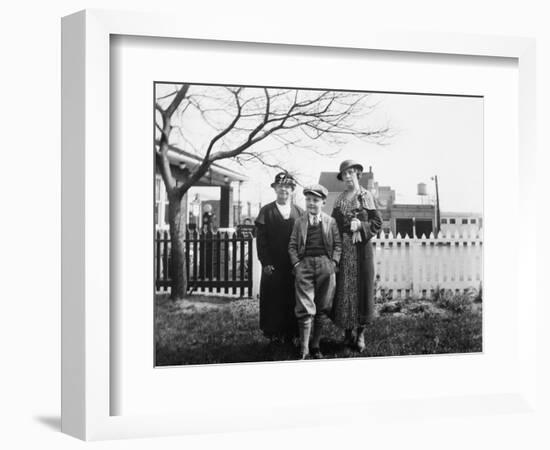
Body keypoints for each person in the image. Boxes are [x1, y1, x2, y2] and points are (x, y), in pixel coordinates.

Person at [331, 160, 382, 352]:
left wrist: (361, 225)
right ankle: (347, 332)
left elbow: (377, 222)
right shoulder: (339, 198)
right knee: (345, 290)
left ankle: (360, 333)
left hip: (361, 251)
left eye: (351, 173)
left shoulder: (366, 196)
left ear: (358, 174)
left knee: (362, 291)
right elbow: (333, 225)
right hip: (344, 251)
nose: (347, 177)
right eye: (344, 174)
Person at [288, 184, 342, 359]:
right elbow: (292, 246)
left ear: (323, 202)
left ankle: (316, 344)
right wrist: (296, 264)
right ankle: (304, 349)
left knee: (322, 307)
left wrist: (333, 262)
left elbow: (338, 245)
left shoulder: (330, 222)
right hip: (305, 266)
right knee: (305, 307)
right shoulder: (299, 222)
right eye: (308, 200)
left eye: (316, 200)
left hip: (325, 267)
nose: (311, 203)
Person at [255, 173, 305, 346]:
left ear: (292, 190)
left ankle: (291, 334)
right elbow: (261, 241)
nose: (284, 189)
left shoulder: (299, 212)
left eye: (288, 187)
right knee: (273, 298)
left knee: (292, 298)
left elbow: (304, 239)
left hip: (293, 264)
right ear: (275, 189)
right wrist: (265, 262)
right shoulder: (266, 211)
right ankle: (274, 335)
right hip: (273, 265)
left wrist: (300, 262)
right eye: (280, 186)